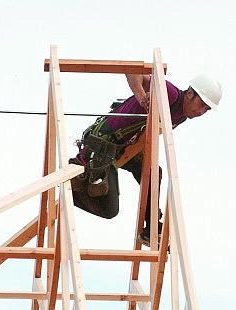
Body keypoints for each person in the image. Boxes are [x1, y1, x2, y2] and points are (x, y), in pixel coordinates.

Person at [70, 72, 222, 245]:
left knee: (153, 172)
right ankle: (72, 184)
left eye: (206, 109)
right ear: (189, 93)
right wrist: (142, 97)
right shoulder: (169, 94)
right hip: (102, 144)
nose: (201, 111)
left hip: (124, 149)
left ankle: (151, 230)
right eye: (201, 104)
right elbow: (133, 72)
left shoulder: (181, 115)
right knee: (109, 210)